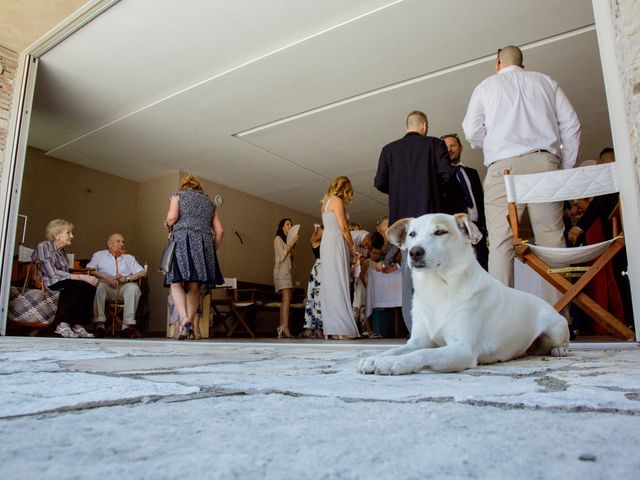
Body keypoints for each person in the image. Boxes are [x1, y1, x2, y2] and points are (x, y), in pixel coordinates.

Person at [462, 45, 581, 288]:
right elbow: (571, 125)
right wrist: (563, 168)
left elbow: (471, 130)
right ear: (523, 65)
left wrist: (492, 142)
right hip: (544, 164)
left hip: (502, 168)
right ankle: (559, 316)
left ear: (497, 65)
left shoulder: (486, 86)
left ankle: (501, 318)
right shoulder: (545, 82)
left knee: (500, 242)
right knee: (551, 239)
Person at [374, 110, 453, 331]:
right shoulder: (435, 145)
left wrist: (400, 186)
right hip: (430, 216)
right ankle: (440, 328)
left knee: (409, 276)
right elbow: (447, 175)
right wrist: (434, 190)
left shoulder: (389, 150)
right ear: (424, 126)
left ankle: (414, 331)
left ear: (406, 127)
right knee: (436, 272)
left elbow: (379, 182)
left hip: (404, 223)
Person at [165, 174, 224, 340]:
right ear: (198, 187)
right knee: (194, 286)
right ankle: (188, 322)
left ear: (184, 186)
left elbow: (172, 218)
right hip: (203, 244)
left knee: (175, 282)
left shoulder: (177, 196)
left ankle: (183, 318)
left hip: (182, 241)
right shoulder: (209, 203)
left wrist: (167, 224)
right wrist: (211, 250)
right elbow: (220, 232)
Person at [33, 219, 98, 338]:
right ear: (57, 235)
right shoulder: (43, 246)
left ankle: (77, 324)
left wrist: (82, 278)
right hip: (47, 283)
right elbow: (51, 272)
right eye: (68, 233)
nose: (72, 236)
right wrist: (80, 276)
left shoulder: (62, 251)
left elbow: (66, 273)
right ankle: (63, 324)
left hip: (62, 282)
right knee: (78, 286)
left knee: (89, 286)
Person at [319, 176, 360, 339]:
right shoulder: (337, 201)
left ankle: (335, 330)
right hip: (336, 242)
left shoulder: (325, 203)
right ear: (345, 189)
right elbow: (343, 227)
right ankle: (343, 329)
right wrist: (353, 247)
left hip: (326, 242)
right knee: (339, 282)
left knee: (331, 283)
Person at [440, 133, 489, 270]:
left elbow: (480, 199)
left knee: (483, 271)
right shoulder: (439, 176)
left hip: (478, 232)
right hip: (456, 233)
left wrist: (484, 228)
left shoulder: (472, 173)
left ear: (460, 148)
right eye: (445, 147)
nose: (449, 150)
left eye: (453, 145)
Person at [87, 233, 147, 338]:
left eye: (123, 242)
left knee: (133, 288)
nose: (121, 244)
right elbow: (90, 270)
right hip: (106, 285)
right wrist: (106, 277)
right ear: (109, 244)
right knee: (98, 286)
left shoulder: (129, 258)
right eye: (118, 241)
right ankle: (100, 325)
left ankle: (127, 327)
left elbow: (142, 273)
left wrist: (127, 278)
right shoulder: (99, 255)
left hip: (123, 287)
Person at [273, 218, 298, 338]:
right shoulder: (277, 239)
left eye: (291, 225)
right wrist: (291, 244)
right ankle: (285, 326)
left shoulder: (286, 242)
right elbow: (281, 256)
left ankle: (282, 325)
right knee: (287, 296)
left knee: (287, 297)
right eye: (287, 224)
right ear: (282, 227)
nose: (290, 226)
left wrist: (291, 248)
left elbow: (290, 263)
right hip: (280, 272)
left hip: (287, 272)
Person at [302, 224, 323, 338]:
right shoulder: (315, 242)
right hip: (318, 271)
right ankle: (317, 327)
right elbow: (313, 239)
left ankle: (324, 326)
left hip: (326, 270)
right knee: (316, 299)